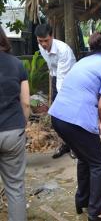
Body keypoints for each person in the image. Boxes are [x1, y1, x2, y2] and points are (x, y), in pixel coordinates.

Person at [49, 31, 101, 221]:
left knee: (84, 158)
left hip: (58, 116)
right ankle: (96, 212)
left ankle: (82, 200)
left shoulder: (85, 60)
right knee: (98, 164)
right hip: (75, 119)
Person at [0, 25, 30, 221]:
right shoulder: (17, 64)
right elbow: (26, 102)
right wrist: (22, 126)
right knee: (15, 187)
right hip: (13, 131)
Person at [35, 23, 76, 159]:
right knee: (57, 119)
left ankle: (75, 147)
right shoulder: (41, 46)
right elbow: (52, 70)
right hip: (56, 78)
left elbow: (63, 79)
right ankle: (65, 144)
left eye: (46, 40)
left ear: (52, 36)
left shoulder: (63, 50)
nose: (44, 44)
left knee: (68, 117)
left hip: (70, 82)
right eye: (40, 41)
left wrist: (59, 102)